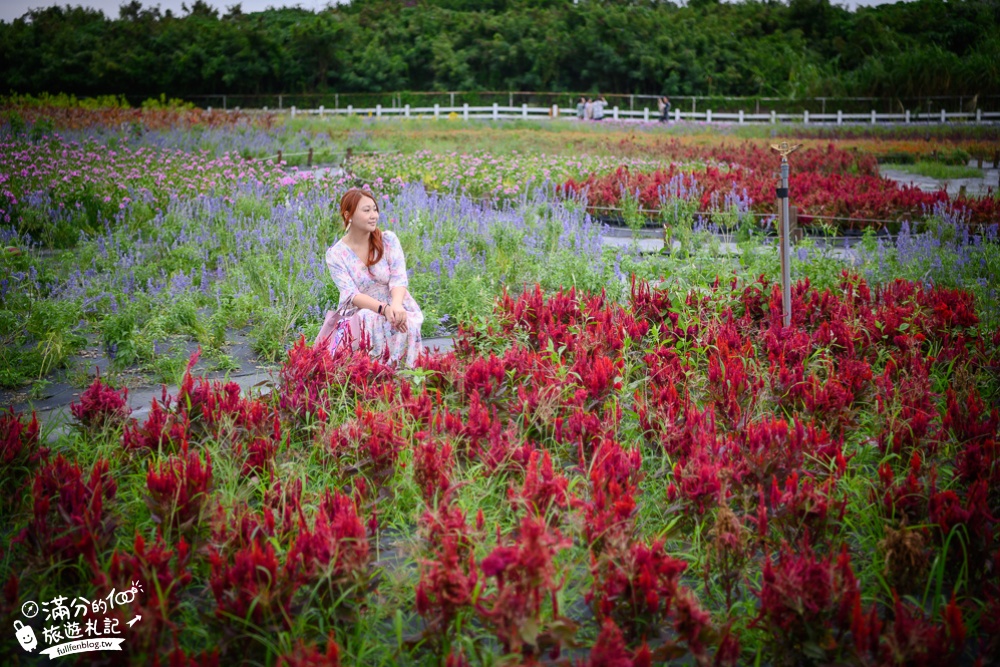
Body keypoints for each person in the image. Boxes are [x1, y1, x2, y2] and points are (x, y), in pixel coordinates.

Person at [314, 188, 424, 367]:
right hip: (360, 310)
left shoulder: (387, 240)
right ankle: (374, 375)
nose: (374, 215)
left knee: (404, 320)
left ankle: (406, 376)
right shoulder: (336, 254)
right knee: (369, 318)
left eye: (375, 209)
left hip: (393, 300)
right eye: (366, 210)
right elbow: (351, 295)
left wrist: (395, 305)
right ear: (348, 215)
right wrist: (384, 309)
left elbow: (398, 277)